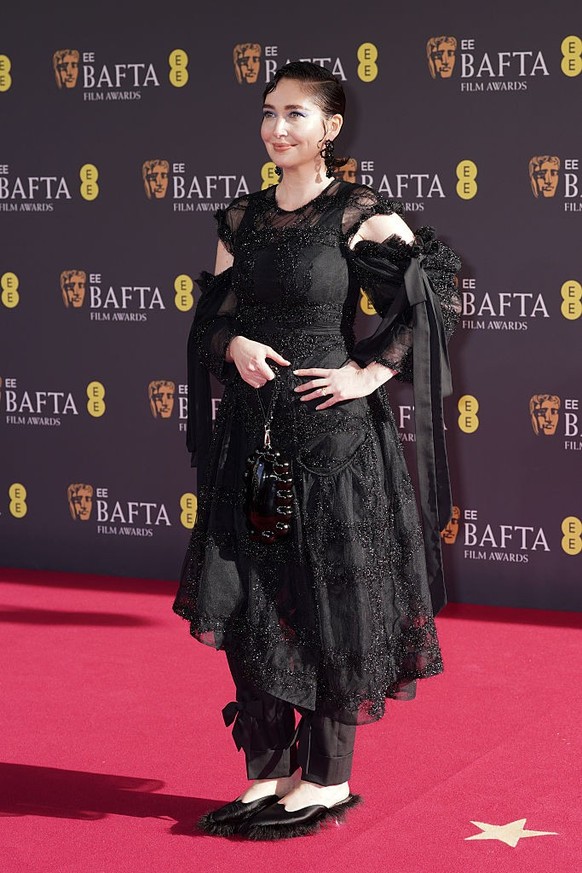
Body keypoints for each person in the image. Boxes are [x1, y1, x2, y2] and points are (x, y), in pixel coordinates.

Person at [173, 61, 462, 840]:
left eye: (295, 115)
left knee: (334, 600)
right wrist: (232, 342)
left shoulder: (358, 213)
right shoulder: (240, 219)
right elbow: (208, 323)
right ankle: (270, 770)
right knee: (254, 595)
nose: (276, 128)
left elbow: (434, 290)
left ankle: (328, 779)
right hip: (258, 446)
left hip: (331, 446)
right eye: (268, 113)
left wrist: (369, 372)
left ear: (331, 129)